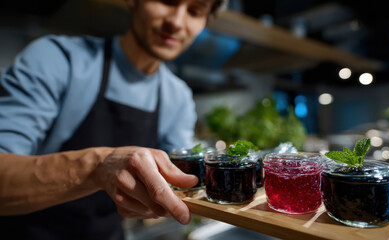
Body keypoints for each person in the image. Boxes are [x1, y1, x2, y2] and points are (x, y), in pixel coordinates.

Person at [0, 0, 227, 239]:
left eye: (195, 11)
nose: (176, 22)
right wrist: (98, 167)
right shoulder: (56, 59)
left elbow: (178, 181)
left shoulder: (178, 98)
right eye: (167, 1)